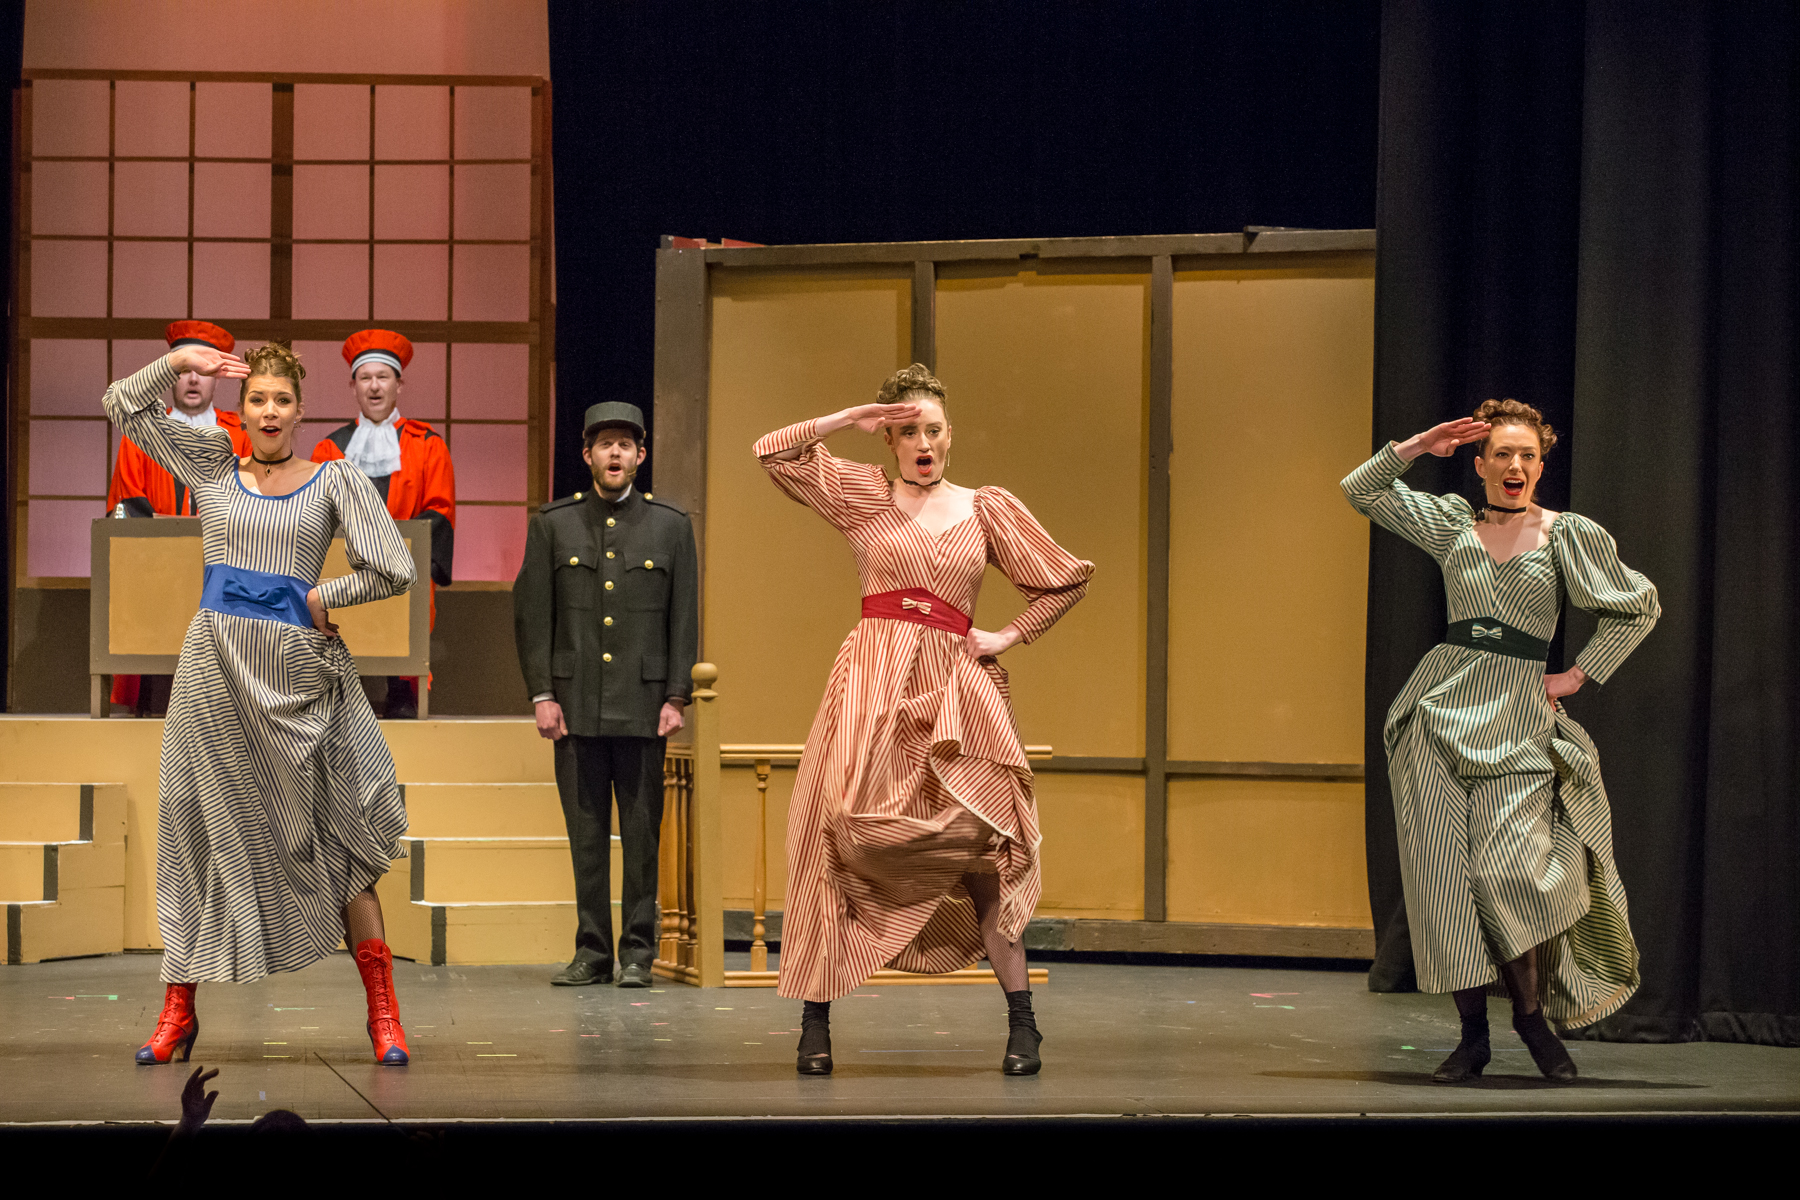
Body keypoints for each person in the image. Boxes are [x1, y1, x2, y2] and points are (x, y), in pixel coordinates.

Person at [754, 364, 1092, 1077]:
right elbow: (771, 453)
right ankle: (815, 1022)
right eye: (908, 431)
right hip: (872, 683)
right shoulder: (862, 496)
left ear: (950, 435)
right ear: (890, 440)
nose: (923, 443)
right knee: (831, 832)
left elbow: (1063, 580)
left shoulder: (985, 508)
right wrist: (847, 418)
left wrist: (1007, 636)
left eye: (933, 429)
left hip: (956, 693)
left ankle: (1023, 1023)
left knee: (982, 842)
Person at [104, 341, 418, 1068]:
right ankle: (178, 1010)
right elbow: (120, 404)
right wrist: (181, 361)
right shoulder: (212, 467)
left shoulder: (335, 480)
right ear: (239, 410)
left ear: (302, 412)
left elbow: (394, 566)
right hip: (213, 673)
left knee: (340, 838)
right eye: (257, 399)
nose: (269, 411)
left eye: (282, 400)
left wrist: (324, 595)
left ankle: (384, 1013)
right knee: (193, 834)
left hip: (296, 676)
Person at [1342, 399, 1659, 1083]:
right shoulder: (1453, 524)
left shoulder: (1567, 534)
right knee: (1444, 882)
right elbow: (1360, 489)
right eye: (1503, 454)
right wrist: (1420, 445)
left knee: (1509, 873)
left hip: (1516, 716)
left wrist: (1577, 675)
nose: (1515, 465)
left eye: (1528, 455)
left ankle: (1531, 1017)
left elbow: (1638, 605)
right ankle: (1472, 1036)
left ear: (1541, 466)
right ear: (1481, 464)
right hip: (1437, 715)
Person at [513, 402, 698, 989]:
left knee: (642, 839)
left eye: (625, 444)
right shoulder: (553, 524)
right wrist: (542, 693)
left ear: (640, 455)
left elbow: (684, 618)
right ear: (587, 454)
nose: (614, 453)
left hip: (644, 706)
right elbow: (532, 617)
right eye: (604, 444)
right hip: (575, 705)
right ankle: (592, 950)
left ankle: (638, 952)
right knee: (586, 839)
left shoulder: (671, 525)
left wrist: (677, 695)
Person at [106, 321, 253, 717]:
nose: (192, 379)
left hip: (225, 576)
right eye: (184, 368)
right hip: (156, 577)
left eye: (201, 370)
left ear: (217, 377)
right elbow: (126, 507)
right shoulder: (141, 433)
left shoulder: (241, 434)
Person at [310, 330, 456, 719]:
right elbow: (317, 514)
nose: (374, 386)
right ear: (353, 386)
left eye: (383, 377)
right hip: (346, 568)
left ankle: (402, 689)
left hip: (404, 571)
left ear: (399, 384)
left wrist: (392, 553)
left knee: (407, 611)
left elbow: (439, 512)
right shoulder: (329, 448)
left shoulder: (427, 445)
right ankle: (336, 691)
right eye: (365, 378)